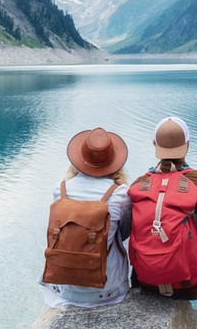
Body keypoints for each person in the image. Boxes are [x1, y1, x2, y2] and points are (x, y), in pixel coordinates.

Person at [130, 117, 197, 329]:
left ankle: (137, 289)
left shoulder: (140, 184)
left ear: (154, 145)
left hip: (147, 282)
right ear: (187, 145)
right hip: (192, 285)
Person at [41, 127, 132, 308]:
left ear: (79, 160)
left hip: (64, 288)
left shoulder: (61, 189)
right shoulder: (121, 194)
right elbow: (124, 233)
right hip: (108, 291)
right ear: (114, 162)